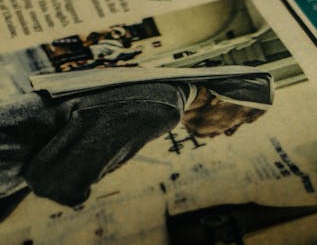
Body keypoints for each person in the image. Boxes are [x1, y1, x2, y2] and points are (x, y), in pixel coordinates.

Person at [0, 69, 273, 218]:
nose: (228, 133)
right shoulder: (162, 108)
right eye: (240, 122)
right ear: (221, 100)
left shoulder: (160, 88)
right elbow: (57, 180)